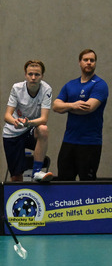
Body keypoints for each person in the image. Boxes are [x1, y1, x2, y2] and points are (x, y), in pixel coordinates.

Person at [52, 49, 108, 181]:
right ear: (79, 62)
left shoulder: (100, 84)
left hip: (90, 143)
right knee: (64, 181)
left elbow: (88, 108)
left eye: (92, 60)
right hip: (69, 141)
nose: (89, 63)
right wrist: (72, 105)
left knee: (87, 183)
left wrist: (65, 107)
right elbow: (55, 106)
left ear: (95, 63)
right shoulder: (70, 85)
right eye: (85, 60)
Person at [3, 60, 54, 183]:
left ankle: (37, 172)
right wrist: (15, 121)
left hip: (30, 129)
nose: (33, 77)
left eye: (37, 75)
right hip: (12, 133)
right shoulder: (17, 88)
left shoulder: (46, 89)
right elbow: (7, 116)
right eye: (30, 74)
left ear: (42, 76)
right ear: (25, 75)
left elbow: (44, 119)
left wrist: (28, 123)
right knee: (16, 177)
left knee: (43, 129)